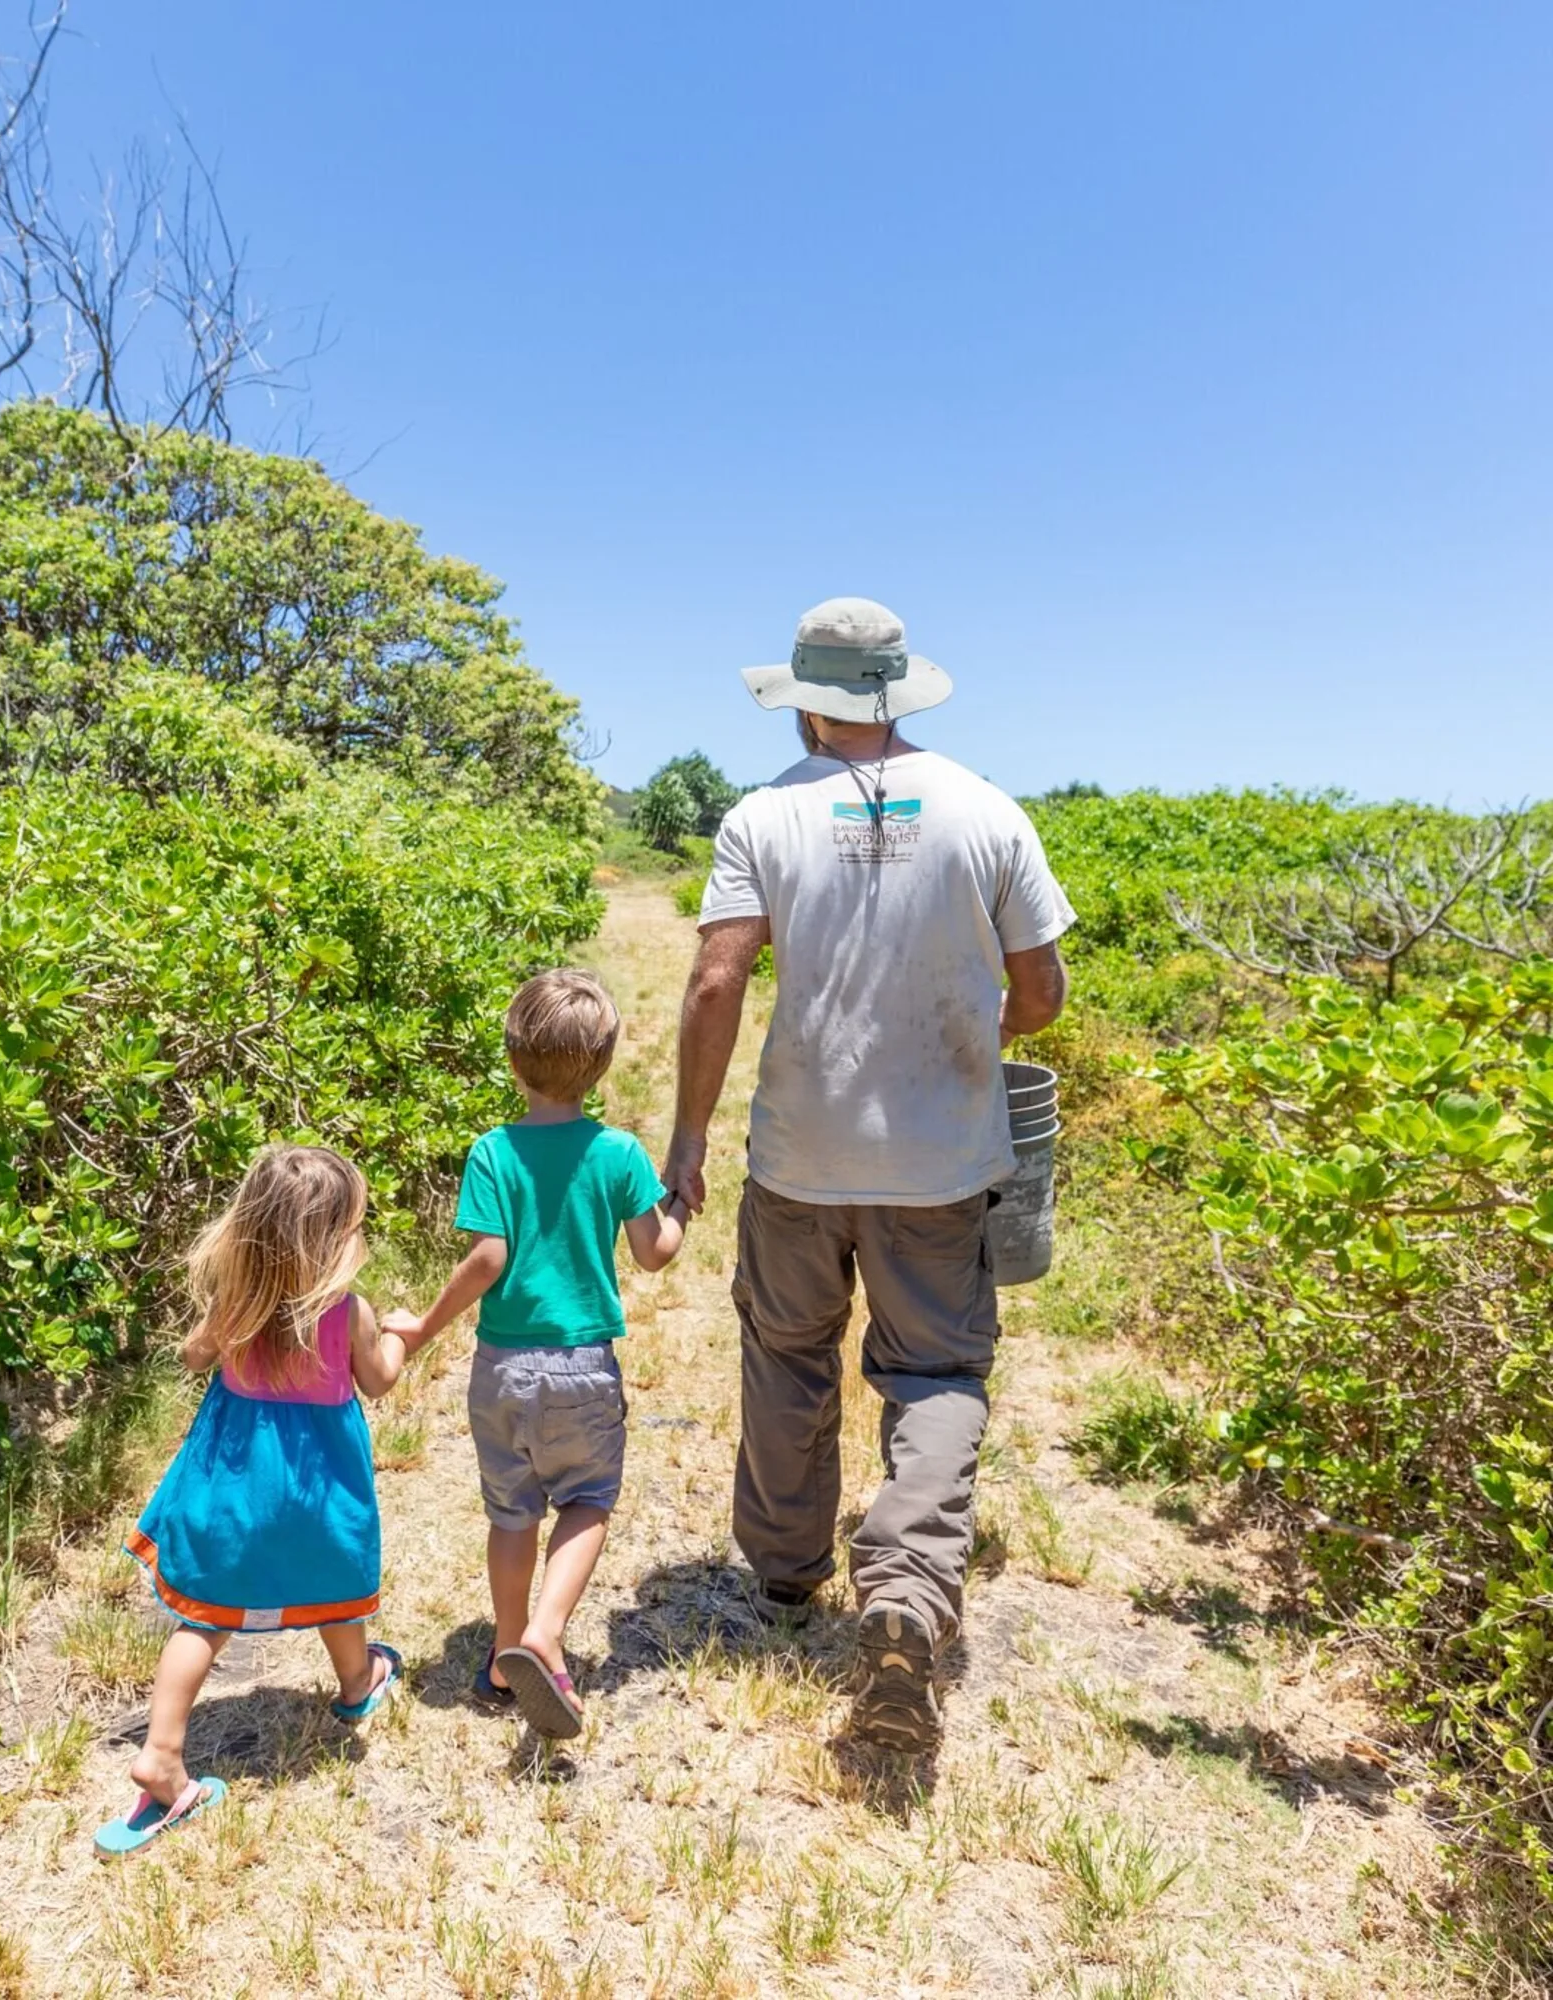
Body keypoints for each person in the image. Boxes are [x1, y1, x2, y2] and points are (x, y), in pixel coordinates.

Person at [663, 597, 1074, 1752]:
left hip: (798, 1152)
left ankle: (788, 1575)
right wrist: (960, 1042)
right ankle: (902, 1594)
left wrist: (688, 1138)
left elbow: (713, 982)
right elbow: (1037, 994)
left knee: (788, 1351)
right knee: (936, 1369)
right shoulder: (989, 811)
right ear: (896, 690)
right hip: (941, 1164)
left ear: (805, 699)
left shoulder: (760, 816)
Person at [385, 970, 688, 1742]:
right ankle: (547, 1632)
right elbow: (657, 1253)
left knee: (512, 1511)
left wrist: (421, 1328)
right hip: (583, 1365)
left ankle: (502, 1648)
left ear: (514, 1061)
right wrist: (679, 1199)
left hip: (501, 1369)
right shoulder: (618, 1152)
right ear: (603, 1064)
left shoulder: (493, 1151)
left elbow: (488, 1258)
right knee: (587, 1500)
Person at [96, 1144, 409, 1857]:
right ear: (332, 1239)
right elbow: (381, 1380)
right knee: (337, 1588)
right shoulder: (349, 1311)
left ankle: (163, 1752)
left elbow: (193, 1355)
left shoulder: (237, 1303)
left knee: (202, 1617)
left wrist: (219, 1334)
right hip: (312, 1485)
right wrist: (397, 1334)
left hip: (233, 1481)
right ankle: (358, 1683)